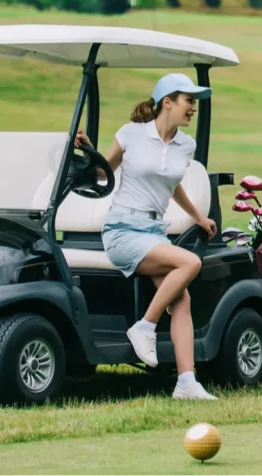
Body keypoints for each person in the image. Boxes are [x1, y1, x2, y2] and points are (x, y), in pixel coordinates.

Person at [75, 72, 219, 401]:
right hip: (123, 230)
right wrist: (88, 150)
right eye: (189, 101)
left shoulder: (186, 145)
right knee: (190, 263)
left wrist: (198, 216)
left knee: (182, 299)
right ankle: (145, 326)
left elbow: (172, 185)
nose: (193, 108)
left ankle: (186, 383)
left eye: (195, 102)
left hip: (154, 233)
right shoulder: (131, 135)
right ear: (167, 102)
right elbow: (102, 172)